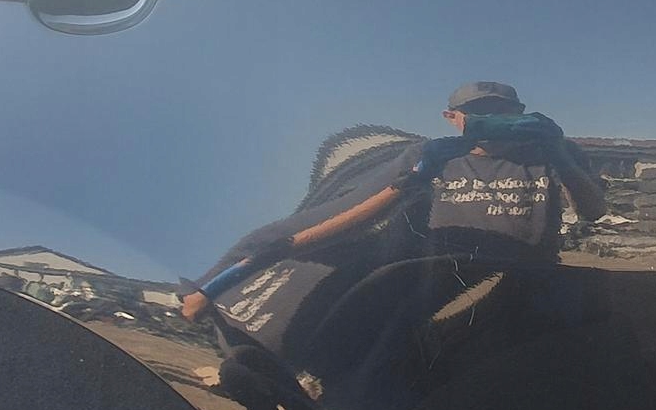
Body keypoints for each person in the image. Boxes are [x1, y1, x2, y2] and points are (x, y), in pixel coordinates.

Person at [180, 81, 606, 321]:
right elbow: (351, 215)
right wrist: (217, 282)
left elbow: (592, 211)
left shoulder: (555, 151)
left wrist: (560, 157)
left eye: (502, 112)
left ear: (522, 112)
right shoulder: (431, 155)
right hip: (443, 281)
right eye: (479, 113)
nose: (492, 121)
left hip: (528, 276)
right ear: (452, 119)